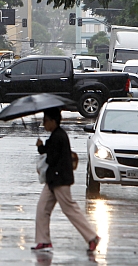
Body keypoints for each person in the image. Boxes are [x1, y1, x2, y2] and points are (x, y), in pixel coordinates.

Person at [33, 108, 100, 253]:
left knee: (69, 209)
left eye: (45, 121)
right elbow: (48, 151)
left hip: (60, 180)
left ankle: (92, 237)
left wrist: (44, 152)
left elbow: (52, 158)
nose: (44, 124)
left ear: (53, 121)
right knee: (42, 208)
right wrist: (41, 147)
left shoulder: (58, 137)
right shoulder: (55, 135)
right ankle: (43, 241)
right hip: (53, 180)